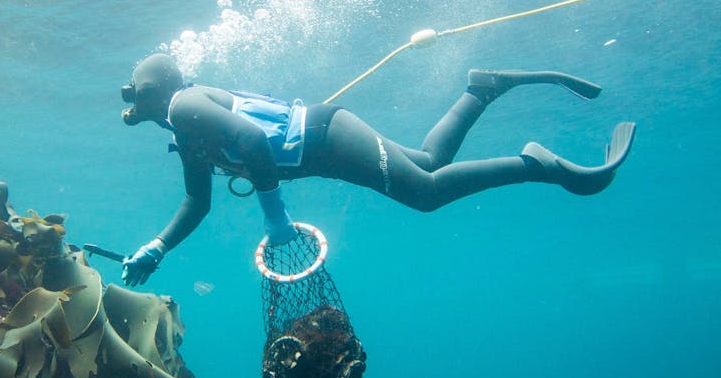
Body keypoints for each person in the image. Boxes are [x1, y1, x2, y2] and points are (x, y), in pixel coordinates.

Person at [118, 52, 635, 285]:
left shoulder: (184, 106)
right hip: (325, 148)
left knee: (426, 193)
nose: (130, 104)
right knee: (430, 165)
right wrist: (157, 247)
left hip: (327, 137)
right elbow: (197, 201)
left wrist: (275, 218)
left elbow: (253, 140)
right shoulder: (182, 131)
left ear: (149, 90)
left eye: (135, 94)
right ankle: (482, 89)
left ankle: (536, 165)